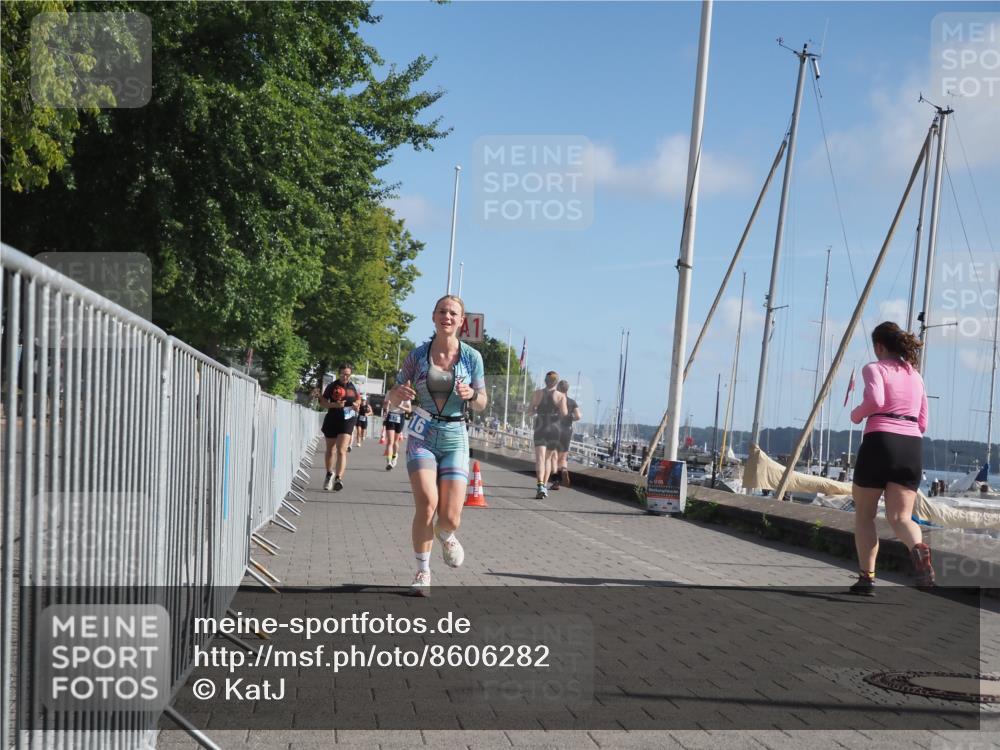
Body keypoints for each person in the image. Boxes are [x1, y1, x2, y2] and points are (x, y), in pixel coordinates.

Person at [386, 295, 486, 595]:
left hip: (455, 436)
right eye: (442, 311)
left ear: (461, 320)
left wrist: (470, 395)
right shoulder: (417, 356)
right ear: (433, 317)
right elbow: (393, 395)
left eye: (453, 313)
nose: (447, 316)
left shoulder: (472, 358)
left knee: (451, 516)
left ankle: (446, 534)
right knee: (427, 503)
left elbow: (482, 402)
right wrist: (398, 392)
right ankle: (422, 571)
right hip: (422, 433)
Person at [849, 321, 932, 595]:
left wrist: (857, 414)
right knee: (901, 517)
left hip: (879, 441)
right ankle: (919, 551)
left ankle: (867, 578)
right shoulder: (916, 376)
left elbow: (875, 400)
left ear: (879, 347)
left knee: (865, 515)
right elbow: (923, 422)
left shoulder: (874, 369)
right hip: (910, 446)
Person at [319, 363, 361, 491]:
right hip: (333, 418)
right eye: (343, 374)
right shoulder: (332, 386)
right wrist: (335, 405)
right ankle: (329, 474)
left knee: (342, 449)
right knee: (330, 449)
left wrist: (356, 404)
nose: (345, 376)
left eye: (348, 374)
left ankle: (338, 478)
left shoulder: (354, 387)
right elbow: (323, 402)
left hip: (348, 419)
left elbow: (359, 400)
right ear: (339, 373)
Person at [528, 372, 568, 499]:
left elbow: (529, 411)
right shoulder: (561, 396)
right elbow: (564, 414)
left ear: (545, 381)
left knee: (540, 458)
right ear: (556, 382)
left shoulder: (537, 394)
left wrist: (537, 410)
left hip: (541, 427)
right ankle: (544, 486)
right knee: (548, 459)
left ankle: (540, 485)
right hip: (554, 429)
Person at [549, 380, 582, 491]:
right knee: (563, 457)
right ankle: (563, 468)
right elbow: (578, 416)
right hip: (567, 431)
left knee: (553, 457)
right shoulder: (572, 402)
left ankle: (556, 482)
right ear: (567, 390)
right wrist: (570, 416)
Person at [383, 393, 409, 470]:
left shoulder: (406, 394)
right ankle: (389, 462)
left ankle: (395, 456)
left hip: (400, 416)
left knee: (395, 442)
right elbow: (384, 406)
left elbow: (409, 409)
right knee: (390, 441)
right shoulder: (390, 392)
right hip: (391, 415)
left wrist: (400, 406)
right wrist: (386, 405)